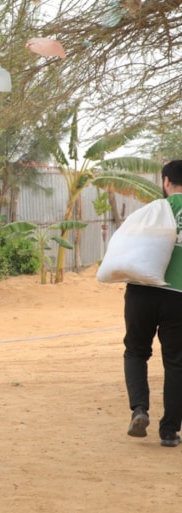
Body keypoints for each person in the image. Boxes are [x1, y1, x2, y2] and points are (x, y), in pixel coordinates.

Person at [124, 159, 182, 447]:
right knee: (176, 362)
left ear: (166, 181)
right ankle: (169, 431)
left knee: (136, 352)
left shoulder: (152, 211)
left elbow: (125, 249)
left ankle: (139, 409)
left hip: (142, 291)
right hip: (179, 296)